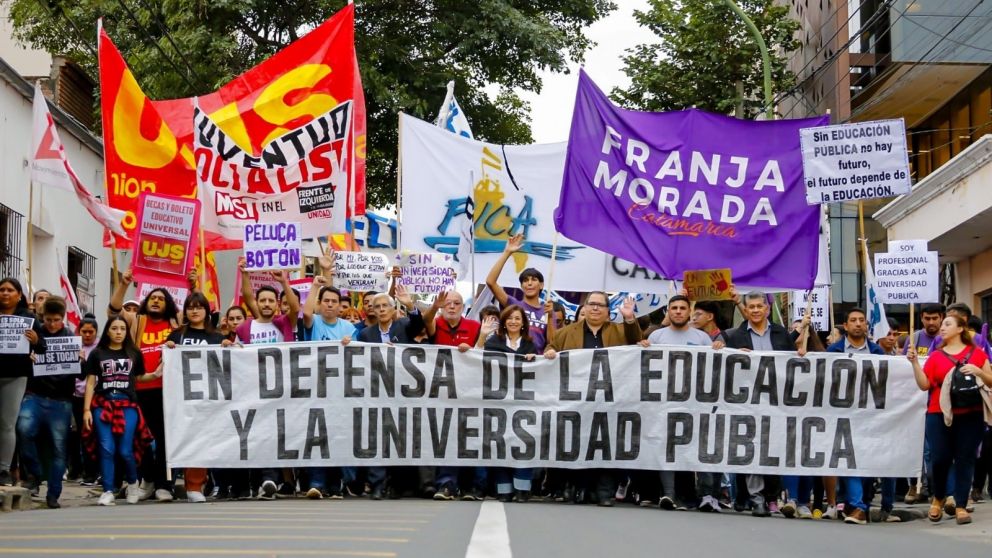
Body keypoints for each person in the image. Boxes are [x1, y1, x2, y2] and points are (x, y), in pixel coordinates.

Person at [544, 293, 641, 507]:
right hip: (577, 401)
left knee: (606, 445)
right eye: (592, 304)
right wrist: (550, 352)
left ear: (608, 311)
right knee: (577, 443)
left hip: (610, 400)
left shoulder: (619, 330)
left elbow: (637, 342)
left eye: (601, 305)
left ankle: (604, 491)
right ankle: (578, 487)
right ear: (584, 308)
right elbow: (550, 348)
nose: (596, 308)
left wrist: (629, 318)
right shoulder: (566, 333)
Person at [908, 313, 992, 525]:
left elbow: (990, 382)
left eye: (947, 324)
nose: (942, 328)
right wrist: (915, 364)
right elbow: (924, 385)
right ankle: (938, 498)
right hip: (939, 413)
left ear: (960, 329)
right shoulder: (936, 356)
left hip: (971, 414)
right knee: (940, 458)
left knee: (966, 458)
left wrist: (978, 372)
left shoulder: (978, 354)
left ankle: (961, 505)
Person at [721, 292, 796, 517]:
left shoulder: (781, 334)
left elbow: (793, 365)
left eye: (758, 306)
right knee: (751, 447)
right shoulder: (734, 337)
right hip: (748, 403)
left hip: (776, 402)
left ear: (766, 309)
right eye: (750, 306)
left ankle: (772, 495)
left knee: (772, 449)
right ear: (745, 310)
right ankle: (757, 499)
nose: (755, 310)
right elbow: (725, 366)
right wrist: (729, 354)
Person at [109, 268, 181, 502]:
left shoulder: (175, 322)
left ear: (168, 304)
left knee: (164, 438)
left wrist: (192, 283)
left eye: (161, 298)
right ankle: (148, 479)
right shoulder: (136, 321)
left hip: (167, 391)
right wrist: (123, 284)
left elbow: (199, 312)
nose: (157, 301)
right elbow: (114, 309)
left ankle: (163, 485)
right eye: (153, 298)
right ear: (145, 303)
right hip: (139, 389)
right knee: (140, 438)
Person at [640, 295, 711, 510]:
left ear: (689, 312)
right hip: (662, 401)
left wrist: (720, 348)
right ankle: (668, 494)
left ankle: (695, 495)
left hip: (693, 402)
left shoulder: (702, 338)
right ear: (667, 312)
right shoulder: (655, 336)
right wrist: (642, 347)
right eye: (674, 308)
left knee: (689, 447)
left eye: (682, 308)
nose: (678, 311)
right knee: (665, 446)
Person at [357, 286, 424, 499]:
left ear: (394, 309)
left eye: (386, 305)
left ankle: (396, 484)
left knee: (398, 438)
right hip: (377, 392)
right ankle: (377, 484)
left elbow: (419, 326)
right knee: (377, 437)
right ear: (373, 311)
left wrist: (411, 304)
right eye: (377, 306)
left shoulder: (404, 325)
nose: (382, 309)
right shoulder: (367, 334)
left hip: (403, 392)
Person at [826, 308, 890, 525]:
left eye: (862, 320)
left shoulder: (877, 352)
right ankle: (859, 506)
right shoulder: (833, 351)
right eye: (853, 320)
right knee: (848, 459)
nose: (858, 324)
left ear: (866, 326)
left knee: (865, 460)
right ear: (845, 326)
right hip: (842, 415)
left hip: (870, 415)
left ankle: (861, 503)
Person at [164, 292, 231, 503]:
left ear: (207, 311)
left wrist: (229, 349)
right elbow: (166, 363)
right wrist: (168, 349)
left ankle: (199, 484)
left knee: (204, 441)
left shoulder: (217, 337)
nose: (194, 311)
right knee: (188, 440)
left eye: (199, 307)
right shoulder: (176, 336)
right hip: (183, 398)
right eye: (190, 307)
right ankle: (188, 485)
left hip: (210, 398)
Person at [82, 315, 155, 506]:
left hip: (127, 404)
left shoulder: (133, 353)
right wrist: (86, 410)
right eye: (114, 328)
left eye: (122, 328)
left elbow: (139, 377)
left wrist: (156, 374)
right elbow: (90, 383)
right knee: (106, 448)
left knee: (125, 450)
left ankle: (132, 483)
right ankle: (107, 490)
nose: (119, 332)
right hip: (102, 404)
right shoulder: (97, 353)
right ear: (107, 330)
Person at [15, 297, 75, 508]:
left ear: (63, 318)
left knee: (60, 448)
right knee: (23, 429)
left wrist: (81, 360)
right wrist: (28, 356)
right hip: (35, 395)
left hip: (61, 401)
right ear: (43, 318)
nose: (51, 324)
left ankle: (54, 494)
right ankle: (36, 472)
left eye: (56, 320)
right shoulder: (34, 333)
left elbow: (81, 374)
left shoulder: (70, 337)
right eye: (48, 320)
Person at [300, 276, 355, 500]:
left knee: (337, 436)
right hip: (316, 389)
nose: (330, 304)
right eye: (326, 300)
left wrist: (350, 346)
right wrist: (315, 286)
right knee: (317, 436)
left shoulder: (349, 328)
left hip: (340, 391)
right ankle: (316, 482)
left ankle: (335, 484)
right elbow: (304, 313)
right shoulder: (313, 322)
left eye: (334, 301)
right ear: (320, 303)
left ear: (340, 306)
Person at [424, 291, 481, 501]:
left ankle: (469, 485)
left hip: (469, 392)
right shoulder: (436, 323)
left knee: (469, 438)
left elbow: (483, 353)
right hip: (441, 392)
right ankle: (446, 483)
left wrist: (473, 349)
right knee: (446, 439)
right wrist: (433, 307)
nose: (452, 307)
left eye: (457, 303)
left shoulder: (475, 327)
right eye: (447, 303)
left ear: (462, 307)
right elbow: (426, 321)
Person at [485, 305, 540, 503]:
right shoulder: (493, 342)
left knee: (523, 443)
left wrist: (535, 360)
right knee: (501, 443)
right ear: (504, 321)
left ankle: (523, 489)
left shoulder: (530, 345)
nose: (514, 322)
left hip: (523, 403)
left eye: (518, 318)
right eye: (510, 318)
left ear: (523, 322)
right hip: (499, 402)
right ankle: (504, 488)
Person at [0, 277, 46, 486]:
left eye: (10, 290)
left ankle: (3, 470)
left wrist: (35, 340)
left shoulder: (28, 318)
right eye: (2, 290)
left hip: (16, 375)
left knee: (7, 424)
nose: (5, 293)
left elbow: (43, 347)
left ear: (19, 295)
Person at [486, 233, 552, 334]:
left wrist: (551, 316)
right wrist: (507, 252)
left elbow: (552, 342)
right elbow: (490, 282)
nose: (529, 283)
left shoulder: (548, 311)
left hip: (535, 350)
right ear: (521, 286)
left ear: (541, 285)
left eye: (534, 279)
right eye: (525, 280)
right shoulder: (513, 304)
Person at [69, 314, 100, 485]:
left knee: (94, 436)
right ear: (79, 331)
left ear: (96, 332)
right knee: (79, 436)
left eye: (91, 332)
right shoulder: (72, 345)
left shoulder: (101, 347)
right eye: (84, 331)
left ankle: (93, 472)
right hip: (76, 397)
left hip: (95, 398)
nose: (87, 335)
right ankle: (79, 470)